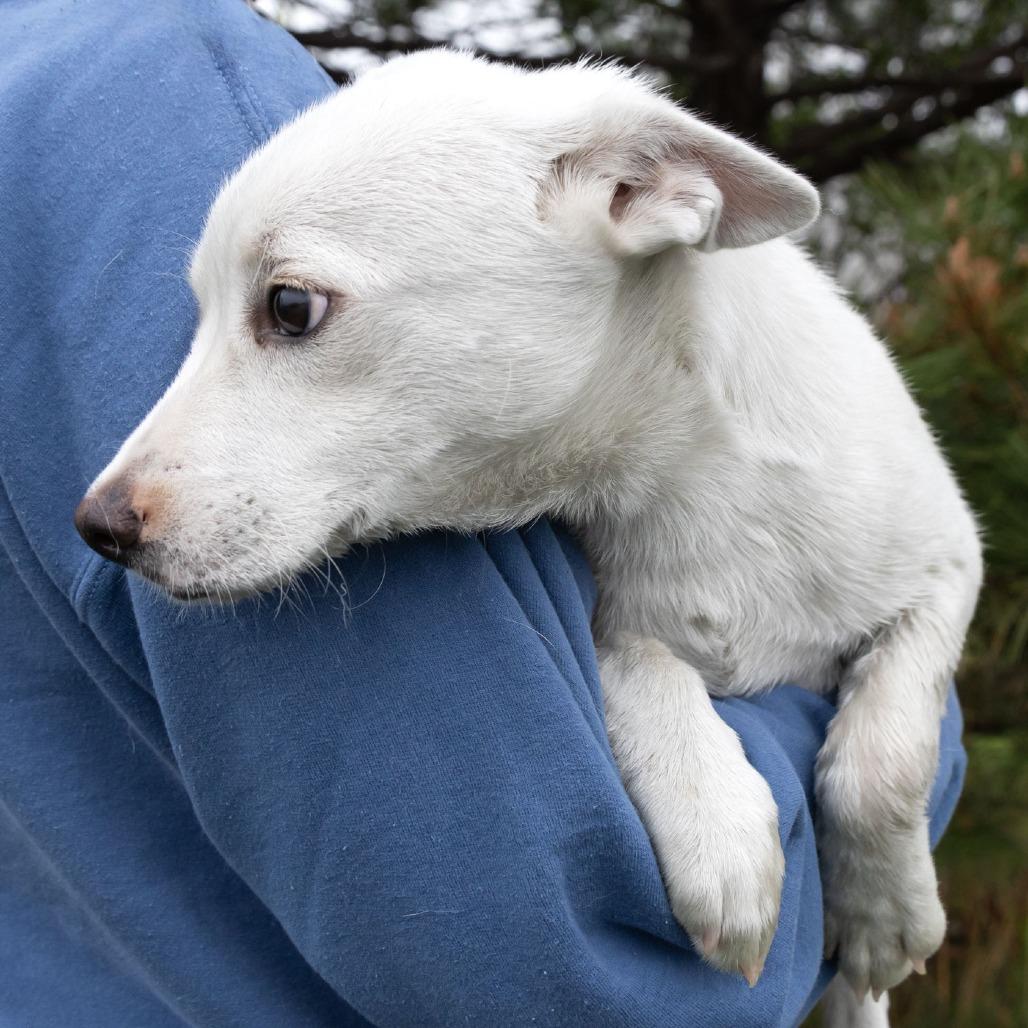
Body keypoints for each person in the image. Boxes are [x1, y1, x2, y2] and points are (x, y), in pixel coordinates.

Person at [0, 1, 966, 1024]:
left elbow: (939, 565)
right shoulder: (156, 81)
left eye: (293, 310)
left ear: (635, 191)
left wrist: (886, 780)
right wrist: (666, 702)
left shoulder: (107, 76)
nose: (115, 496)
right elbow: (576, 962)